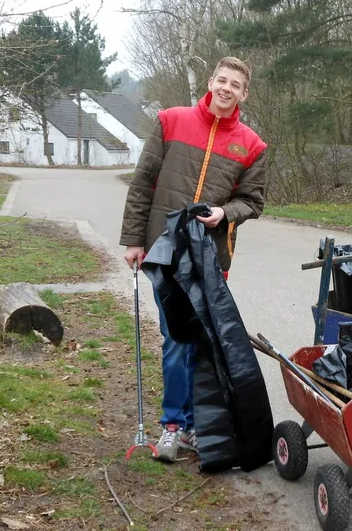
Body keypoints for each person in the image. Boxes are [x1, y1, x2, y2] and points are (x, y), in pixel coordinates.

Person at [119, 56, 267, 462]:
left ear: (244, 93)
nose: (226, 88)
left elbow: (252, 201)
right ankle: (172, 426)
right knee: (175, 339)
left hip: (210, 260)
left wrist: (225, 213)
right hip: (164, 254)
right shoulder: (170, 120)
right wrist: (133, 240)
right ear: (210, 82)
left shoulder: (251, 145)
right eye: (222, 80)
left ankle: (200, 427)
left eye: (235, 84)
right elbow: (142, 183)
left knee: (204, 343)